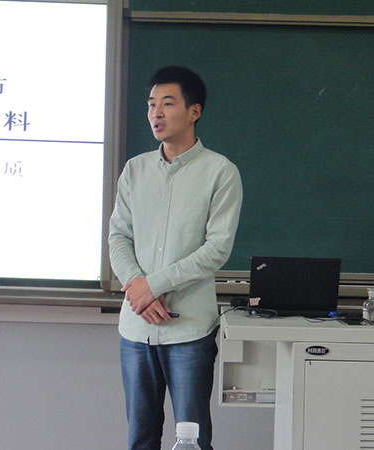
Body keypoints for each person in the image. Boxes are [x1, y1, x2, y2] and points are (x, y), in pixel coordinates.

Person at [108, 66, 243, 450]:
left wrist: (153, 285)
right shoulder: (135, 170)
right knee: (140, 438)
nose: (156, 113)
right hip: (136, 328)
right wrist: (139, 288)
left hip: (189, 330)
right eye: (151, 105)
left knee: (193, 438)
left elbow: (216, 249)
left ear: (194, 111)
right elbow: (118, 236)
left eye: (167, 104)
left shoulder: (220, 172)